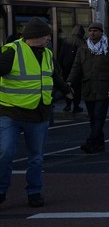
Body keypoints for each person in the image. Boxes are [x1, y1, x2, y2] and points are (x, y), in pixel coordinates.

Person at [0, 18, 73, 207]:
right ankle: (1, 190)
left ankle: (34, 192)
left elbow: (53, 75)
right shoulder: (11, 52)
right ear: (35, 37)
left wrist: (66, 90)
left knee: (36, 157)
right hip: (11, 111)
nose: (49, 38)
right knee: (6, 152)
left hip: (39, 113)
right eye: (46, 35)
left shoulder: (47, 54)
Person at [69, 22, 109, 154]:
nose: (92, 33)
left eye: (96, 31)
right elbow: (76, 67)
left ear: (101, 32)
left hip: (104, 87)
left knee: (99, 116)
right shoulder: (83, 48)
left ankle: (91, 142)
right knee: (93, 117)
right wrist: (69, 81)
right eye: (91, 30)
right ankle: (99, 144)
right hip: (88, 87)